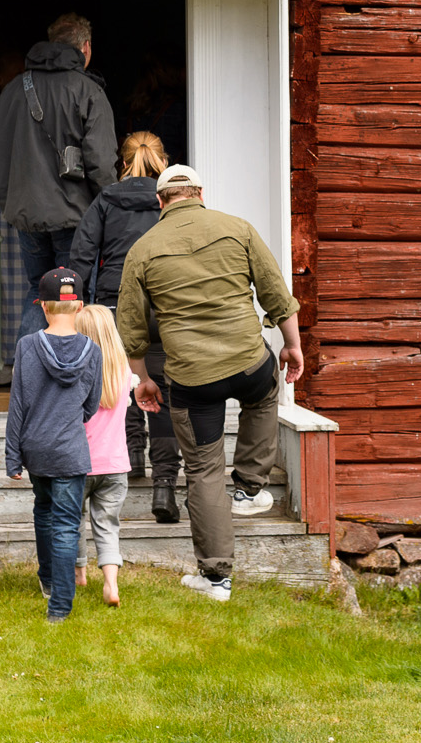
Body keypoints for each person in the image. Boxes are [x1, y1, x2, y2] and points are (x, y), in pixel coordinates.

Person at [116, 165, 303, 603]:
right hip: (247, 362)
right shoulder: (238, 229)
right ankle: (249, 486)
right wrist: (292, 347)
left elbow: (130, 328)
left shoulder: (142, 250)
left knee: (202, 471)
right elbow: (276, 294)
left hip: (191, 379)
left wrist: (143, 380)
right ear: (199, 193)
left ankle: (216, 579)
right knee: (265, 391)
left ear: (160, 202)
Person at [0, 13, 117, 358]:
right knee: (73, 297)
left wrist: (15, 203)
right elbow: (101, 165)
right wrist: (109, 211)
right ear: (85, 48)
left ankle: (29, 375)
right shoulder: (89, 91)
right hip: (76, 219)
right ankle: (69, 381)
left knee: (38, 294)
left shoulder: (12, 90)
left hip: (26, 219)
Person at [68, 130, 183, 520]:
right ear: (162, 160)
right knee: (163, 386)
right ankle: (165, 486)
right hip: (164, 302)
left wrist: (76, 303)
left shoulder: (106, 200)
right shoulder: (169, 202)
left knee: (124, 376)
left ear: (123, 161)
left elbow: (82, 254)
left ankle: (131, 453)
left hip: (117, 303)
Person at [2, 266, 103, 624]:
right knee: (65, 525)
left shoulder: (27, 347)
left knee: (43, 511)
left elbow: (18, 405)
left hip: (36, 449)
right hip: (70, 450)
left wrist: (12, 455)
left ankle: (47, 580)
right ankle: (59, 605)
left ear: (43, 307)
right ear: (78, 307)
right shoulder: (92, 351)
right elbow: (91, 406)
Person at [72, 304, 137, 607]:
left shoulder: (77, 372)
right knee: (107, 524)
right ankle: (111, 584)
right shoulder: (124, 372)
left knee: (73, 520)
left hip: (80, 462)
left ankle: (79, 572)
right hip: (115, 465)